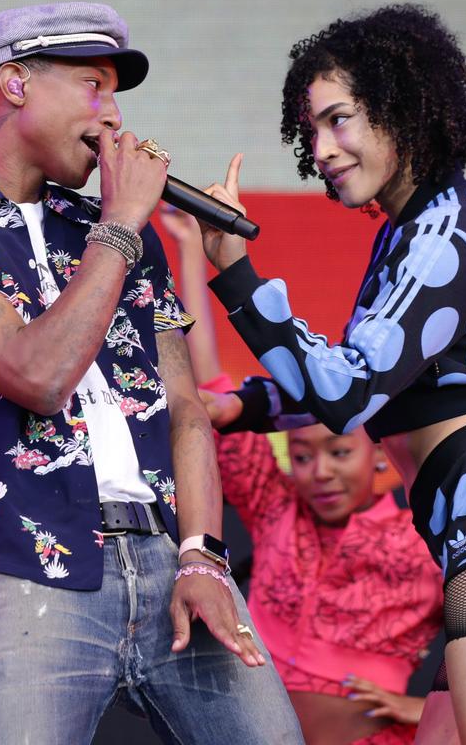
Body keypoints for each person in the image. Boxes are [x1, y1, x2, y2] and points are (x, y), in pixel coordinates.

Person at [0, 2, 302, 744]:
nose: (114, 116)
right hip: (24, 565)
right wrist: (122, 225)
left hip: (169, 555)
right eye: (94, 86)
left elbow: (185, 409)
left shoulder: (114, 233)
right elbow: (37, 374)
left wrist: (203, 557)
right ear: (16, 85)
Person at [194, 4, 466, 745]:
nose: (322, 149)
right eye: (312, 130)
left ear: (401, 107)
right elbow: (373, 387)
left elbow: (348, 391)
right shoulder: (413, 231)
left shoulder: (448, 228)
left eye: (340, 120)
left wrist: (236, 279)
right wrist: (248, 407)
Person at [161, 205, 444, 745]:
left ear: (379, 453)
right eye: (303, 456)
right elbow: (206, 397)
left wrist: (429, 707)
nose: (320, 473)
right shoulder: (276, 508)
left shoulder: (421, 542)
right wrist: (191, 257)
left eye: (339, 453)